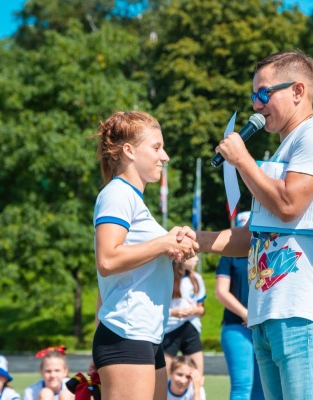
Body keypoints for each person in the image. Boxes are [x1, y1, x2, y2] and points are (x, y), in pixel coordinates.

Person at [194, 50, 313, 400]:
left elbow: (289, 204)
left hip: (304, 315)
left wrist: (242, 160)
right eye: (254, 95)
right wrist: (195, 240)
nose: (256, 105)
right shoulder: (281, 154)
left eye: (264, 93)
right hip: (268, 315)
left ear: (297, 91)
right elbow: (255, 237)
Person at [90, 111, 198, 400]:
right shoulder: (117, 194)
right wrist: (164, 243)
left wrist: (171, 242)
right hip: (128, 334)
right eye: (156, 147)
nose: (165, 156)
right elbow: (107, 261)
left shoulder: (131, 199)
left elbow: (109, 282)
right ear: (129, 151)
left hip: (143, 335)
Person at [215, 211, 264, 400]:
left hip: (263, 326)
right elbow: (221, 292)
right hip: (237, 326)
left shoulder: (265, 252)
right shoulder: (229, 256)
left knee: (262, 389)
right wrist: (246, 314)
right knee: (242, 386)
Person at [163, 255, 206, 375]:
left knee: (196, 374)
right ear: (181, 257)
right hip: (169, 330)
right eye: (194, 255)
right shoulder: (166, 278)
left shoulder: (197, 278)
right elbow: (155, 310)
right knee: (164, 375)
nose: (197, 259)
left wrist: (195, 310)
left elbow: (202, 309)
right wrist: (173, 312)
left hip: (191, 328)